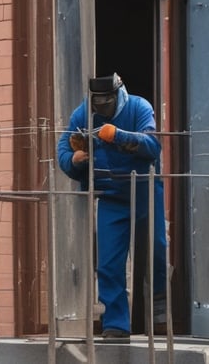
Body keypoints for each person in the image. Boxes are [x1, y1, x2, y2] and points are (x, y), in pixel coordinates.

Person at [57, 72, 167, 338]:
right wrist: (74, 160)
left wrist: (118, 135)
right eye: (98, 104)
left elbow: (153, 145)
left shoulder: (139, 107)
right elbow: (62, 149)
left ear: (119, 95)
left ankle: (160, 313)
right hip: (110, 195)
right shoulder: (83, 114)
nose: (102, 108)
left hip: (143, 190)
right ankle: (116, 323)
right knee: (108, 262)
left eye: (107, 103)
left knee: (155, 251)